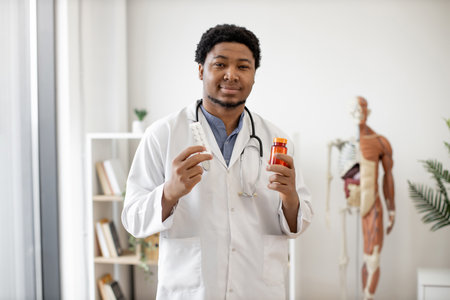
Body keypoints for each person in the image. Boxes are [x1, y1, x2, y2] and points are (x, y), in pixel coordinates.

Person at [122, 24, 313, 300]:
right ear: (201, 69)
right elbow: (132, 218)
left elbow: (298, 224)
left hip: (258, 289)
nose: (231, 75)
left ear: (254, 75)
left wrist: (291, 197)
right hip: (192, 291)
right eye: (220, 64)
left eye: (243, 67)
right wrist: (169, 193)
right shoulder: (163, 134)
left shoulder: (276, 139)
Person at [327, 96, 395, 300]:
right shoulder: (346, 144)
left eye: (361, 110)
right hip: (350, 204)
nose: (358, 114)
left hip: (371, 202)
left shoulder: (380, 142)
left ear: (368, 112)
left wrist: (392, 209)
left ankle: (368, 296)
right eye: (355, 111)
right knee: (347, 257)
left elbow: (388, 177)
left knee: (372, 258)